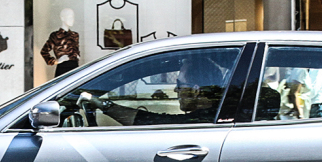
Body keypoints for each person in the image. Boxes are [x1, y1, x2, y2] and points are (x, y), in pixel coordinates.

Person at [83, 54, 230, 126]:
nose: (176, 89)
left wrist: (103, 104)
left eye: (179, 84)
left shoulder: (205, 120)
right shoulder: (217, 115)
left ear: (196, 90)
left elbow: (153, 121)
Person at [40, 8, 81, 79]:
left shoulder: (75, 35)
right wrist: (56, 61)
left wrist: (77, 55)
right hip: (63, 68)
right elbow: (44, 51)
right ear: (62, 18)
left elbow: (76, 49)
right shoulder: (56, 35)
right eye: (69, 16)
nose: (72, 19)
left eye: (73, 17)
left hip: (75, 66)